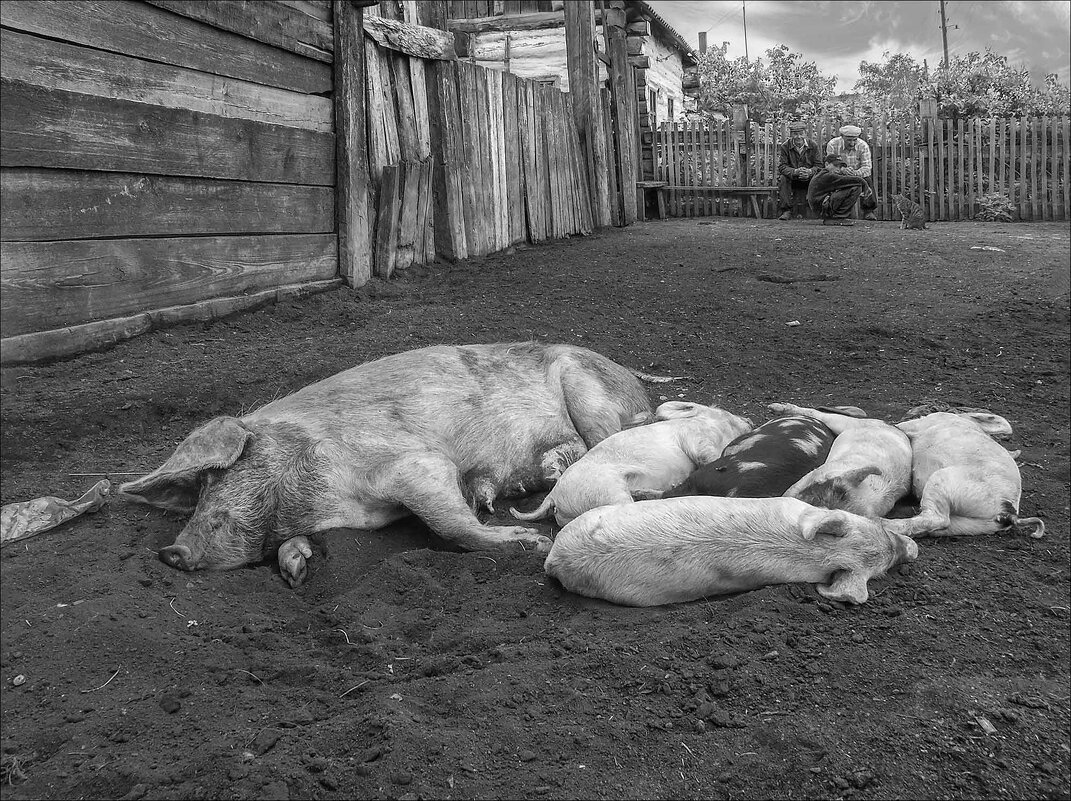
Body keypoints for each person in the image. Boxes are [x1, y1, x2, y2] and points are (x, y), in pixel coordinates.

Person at [825, 124, 878, 221]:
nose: (852, 143)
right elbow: (830, 165)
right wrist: (842, 170)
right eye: (849, 140)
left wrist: (856, 174)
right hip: (838, 175)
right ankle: (831, 209)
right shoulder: (832, 144)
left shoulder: (863, 146)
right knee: (828, 177)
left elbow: (867, 167)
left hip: (857, 175)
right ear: (842, 137)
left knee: (867, 179)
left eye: (855, 140)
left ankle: (869, 210)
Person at [776, 123, 822, 221]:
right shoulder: (785, 146)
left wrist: (810, 171)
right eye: (795, 134)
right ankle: (786, 211)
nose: (798, 137)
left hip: (809, 179)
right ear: (791, 135)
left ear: (805, 134)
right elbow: (782, 166)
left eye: (801, 133)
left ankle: (817, 209)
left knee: (821, 178)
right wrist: (795, 171)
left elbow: (819, 166)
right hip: (793, 178)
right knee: (783, 178)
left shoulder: (813, 145)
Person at [807, 155, 866, 226]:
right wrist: (866, 185)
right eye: (835, 165)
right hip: (822, 207)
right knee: (856, 187)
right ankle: (837, 217)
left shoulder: (822, 173)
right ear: (826, 164)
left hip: (822, 205)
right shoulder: (826, 176)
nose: (838, 169)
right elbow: (856, 181)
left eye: (840, 166)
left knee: (852, 186)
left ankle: (836, 217)